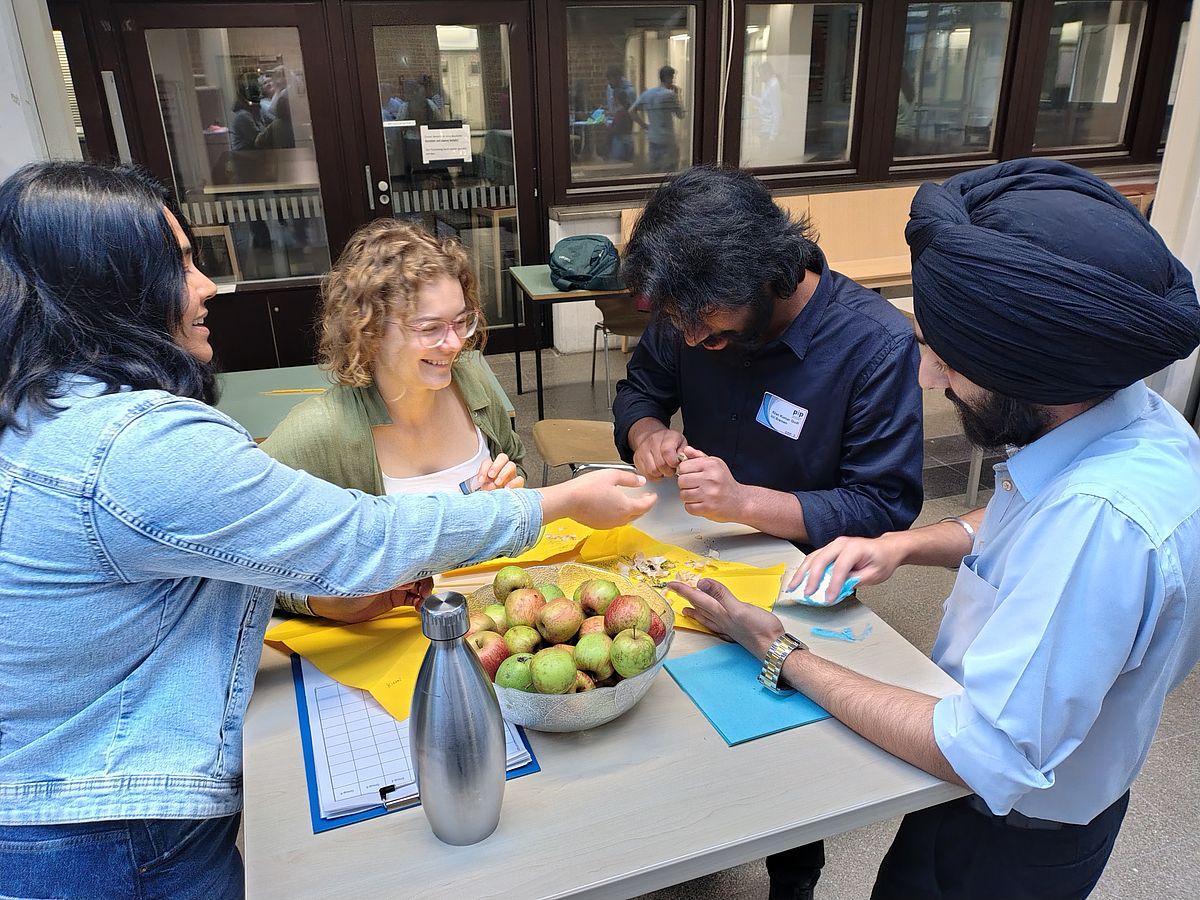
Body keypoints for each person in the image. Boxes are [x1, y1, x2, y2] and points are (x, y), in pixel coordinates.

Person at [0, 161, 654, 900]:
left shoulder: (40, 411)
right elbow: (360, 540)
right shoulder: (142, 446)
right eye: (178, 263)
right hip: (107, 837)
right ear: (108, 285)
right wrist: (558, 501)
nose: (208, 285)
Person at [672, 158, 1200, 900]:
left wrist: (777, 650)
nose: (927, 378)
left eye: (945, 359)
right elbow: (1023, 519)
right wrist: (907, 544)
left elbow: (981, 752)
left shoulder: (1100, 524)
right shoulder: (1136, 418)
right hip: (974, 787)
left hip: (1008, 826)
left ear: (1028, 368)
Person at [615, 165, 922, 899]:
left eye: (706, 326)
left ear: (767, 277)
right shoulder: (694, 306)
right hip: (689, 551)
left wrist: (747, 502)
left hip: (800, 585)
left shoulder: (873, 344)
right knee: (671, 708)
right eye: (680, 325)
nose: (693, 338)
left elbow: (884, 505)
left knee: (788, 733)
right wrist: (647, 432)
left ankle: (794, 877)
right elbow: (640, 387)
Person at [262, 220, 526, 623]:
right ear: (369, 331)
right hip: (380, 639)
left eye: (460, 321)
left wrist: (507, 490)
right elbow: (239, 564)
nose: (455, 343)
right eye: (430, 328)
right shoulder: (316, 432)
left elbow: (516, 466)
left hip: (489, 623)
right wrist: (327, 602)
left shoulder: (473, 384)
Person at [630, 65, 685, 171]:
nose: (673, 81)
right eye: (672, 78)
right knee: (670, 171)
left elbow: (631, 111)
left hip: (653, 138)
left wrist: (644, 126)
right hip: (668, 140)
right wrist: (678, 96)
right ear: (668, 78)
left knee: (654, 170)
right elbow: (681, 115)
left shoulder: (647, 94)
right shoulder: (670, 95)